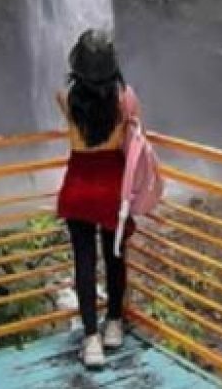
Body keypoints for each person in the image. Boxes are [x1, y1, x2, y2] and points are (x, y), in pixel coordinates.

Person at [54, 29, 139, 369]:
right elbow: (135, 135)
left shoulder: (66, 99)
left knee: (84, 264)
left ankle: (91, 342)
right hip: (112, 192)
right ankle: (114, 324)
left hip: (78, 190)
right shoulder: (125, 100)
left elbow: (64, 98)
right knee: (115, 257)